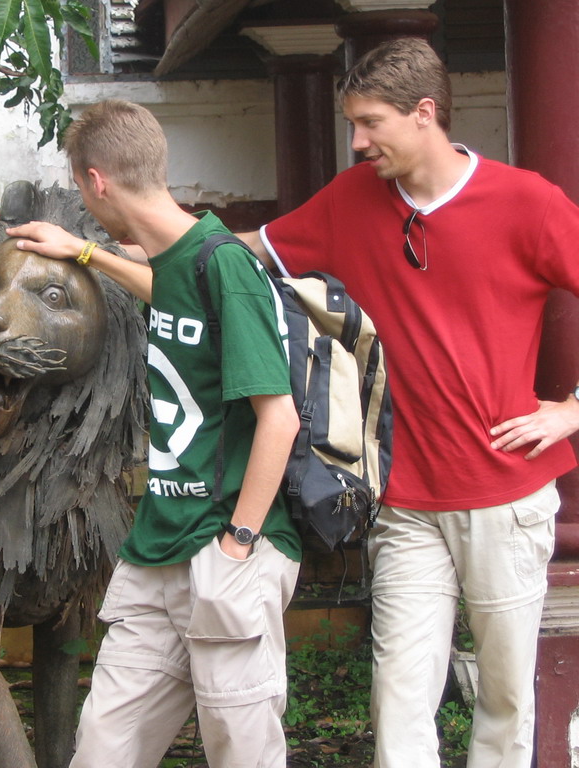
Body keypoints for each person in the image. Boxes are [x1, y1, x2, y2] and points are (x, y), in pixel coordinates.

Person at [233, 38, 579, 768]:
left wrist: (572, 410)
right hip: (405, 504)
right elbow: (240, 255)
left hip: (506, 502)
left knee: (505, 702)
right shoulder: (350, 201)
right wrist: (114, 247)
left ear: (425, 113)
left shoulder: (528, 203)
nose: (356, 141)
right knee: (398, 699)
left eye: (370, 123)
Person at [8, 99, 302, 767]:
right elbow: (161, 291)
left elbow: (277, 417)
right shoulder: (179, 264)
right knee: (103, 751)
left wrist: (238, 547)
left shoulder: (225, 265)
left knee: (243, 755)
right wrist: (84, 250)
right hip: (156, 549)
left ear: (96, 183)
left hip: (227, 545)